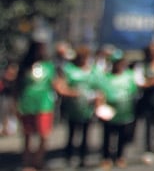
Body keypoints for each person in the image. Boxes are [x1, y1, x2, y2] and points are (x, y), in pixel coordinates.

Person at [15, 39, 71, 171]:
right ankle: (27, 163)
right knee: (28, 134)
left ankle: (38, 161)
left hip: (44, 104)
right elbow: (17, 87)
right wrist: (15, 104)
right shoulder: (25, 67)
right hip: (27, 104)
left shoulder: (49, 66)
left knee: (44, 134)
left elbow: (57, 84)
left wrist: (71, 91)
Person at [95, 55, 139, 170]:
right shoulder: (106, 77)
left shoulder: (128, 76)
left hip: (125, 110)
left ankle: (120, 156)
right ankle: (106, 158)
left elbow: (134, 91)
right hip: (110, 110)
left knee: (122, 135)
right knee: (108, 134)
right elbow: (101, 93)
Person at [61, 46, 100, 168]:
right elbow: (63, 86)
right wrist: (74, 93)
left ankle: (83, 158)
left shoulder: (92, 71)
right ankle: (68, 156)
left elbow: (98, 88)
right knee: (72, 132)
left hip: (87, 107)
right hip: (72, 107)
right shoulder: (69, 69)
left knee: (86, 133)